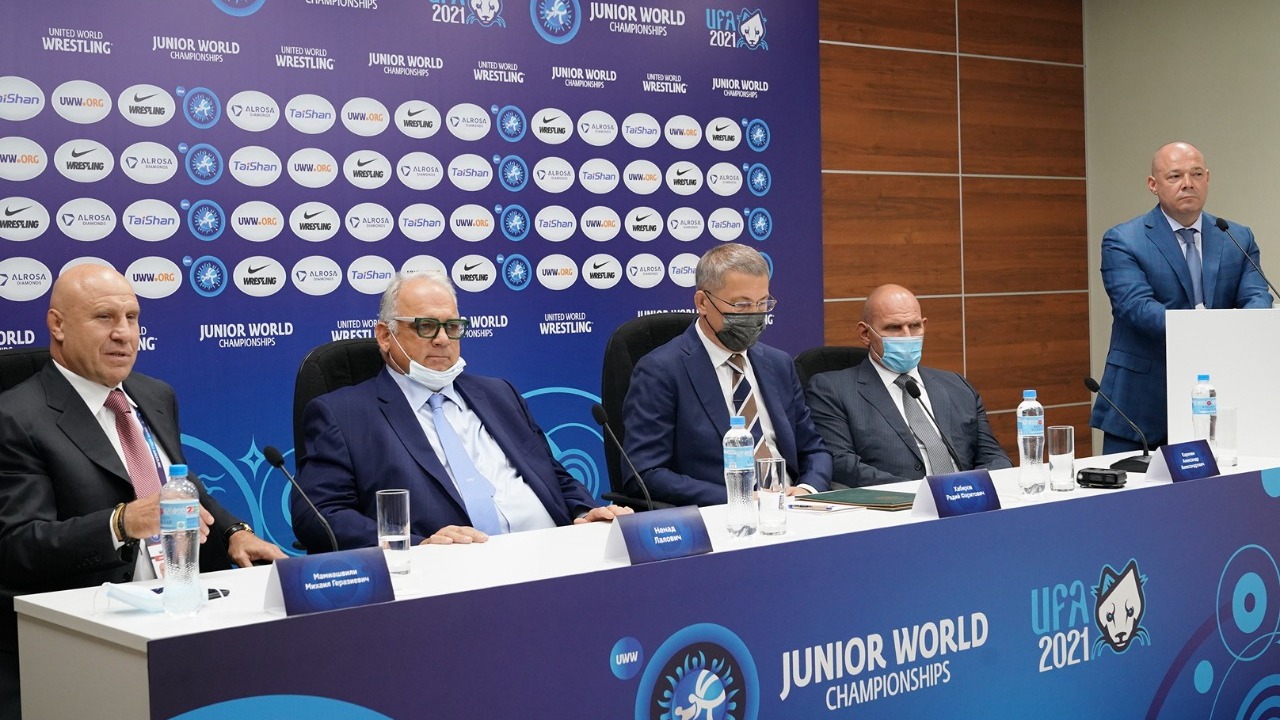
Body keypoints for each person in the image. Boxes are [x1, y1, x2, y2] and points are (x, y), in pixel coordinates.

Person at [0, 264, 286, 716]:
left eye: (131, 318)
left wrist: (234, 532)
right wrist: (120, 522)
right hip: (91, 634)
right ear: (57, 325)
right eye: (104, 318)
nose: (124, 333)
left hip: (185, 613)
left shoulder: (154, 395)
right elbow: (17, 546)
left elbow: (181, 488)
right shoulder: (17, 417)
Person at [293, 271, 629, 551]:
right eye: (425, 326)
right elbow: (318, 515)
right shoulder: (343, 414)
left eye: (452, 327)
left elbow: (552, 475)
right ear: (384, 335)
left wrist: (584, 512)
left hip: (551, 555)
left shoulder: (499, 394)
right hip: (445, 577)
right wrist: (416, 545)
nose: (442, 339)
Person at [1093, 141, 1272, 452]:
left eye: (1196, 174)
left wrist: (1246, 328)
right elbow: (1136, 308)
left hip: (1222, 398)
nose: (1188, 183)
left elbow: (1257, 297)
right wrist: (1207, 330)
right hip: (1144, 404)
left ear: (1208, 178)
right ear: (1153, 184)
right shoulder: (1123, 240)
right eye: (1175, 176)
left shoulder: (1236, 236)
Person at [622, 243, 832, 506]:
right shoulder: (661, 370)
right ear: (702, 302)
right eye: (741, 305)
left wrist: (807, 488)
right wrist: (741, 497)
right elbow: (645, 473)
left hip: (795, 508)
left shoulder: (779, 364)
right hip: (722, 513)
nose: (755, 315)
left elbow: (814, 449)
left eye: (762, 303)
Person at [806, 284, 1011, 487]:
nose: (907, 337)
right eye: (894, 328)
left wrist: (970, 490)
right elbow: (842, 464)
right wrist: (921, 493)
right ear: (865, 333)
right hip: (895, 503)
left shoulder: (957, 386)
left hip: (966, 499)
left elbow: (994, 457)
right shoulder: (832, 389)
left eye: (914, 326)